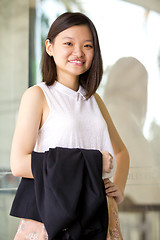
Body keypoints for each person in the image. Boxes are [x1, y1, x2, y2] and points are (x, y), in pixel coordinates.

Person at [10, 12, 129, 240]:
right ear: (50, 47)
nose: (79, 52)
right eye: (68, 43)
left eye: (87, 45)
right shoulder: (38, 95)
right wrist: (93, 163)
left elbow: (121, 153)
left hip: (98, 210)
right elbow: (19, 164)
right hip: (52, 210)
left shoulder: (94, 100)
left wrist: (118, 190)